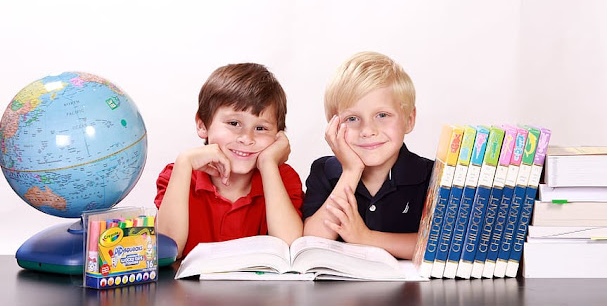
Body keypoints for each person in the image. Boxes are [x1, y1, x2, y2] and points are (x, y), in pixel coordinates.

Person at [155, 63, 304, 258]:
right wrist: (184, 162)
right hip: (190, 289)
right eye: (234, 123)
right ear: (202, 125)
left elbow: (291, 248)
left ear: (278, 136)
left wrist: (268, 164)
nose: (247, 138)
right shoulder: (178, 174)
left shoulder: (282, 178)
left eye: (261, 128)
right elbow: (167, 252)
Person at [302, 51, 433, 259]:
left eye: (382, 115)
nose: (367, 130)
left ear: (409, 119)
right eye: (352, 118)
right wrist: (351, 170)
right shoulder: (325, 171)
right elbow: (312, 242)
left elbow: (437, 246)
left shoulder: (430, 175)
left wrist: (366, 238)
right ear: (333, 126)